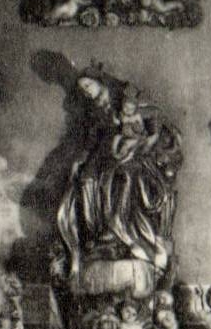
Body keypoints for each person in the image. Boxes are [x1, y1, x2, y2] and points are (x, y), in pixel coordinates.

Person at [55, 73, 181, 286]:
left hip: (136, 156)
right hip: (104, 155)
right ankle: (100, 233)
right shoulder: (95, 110)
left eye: (87, 84)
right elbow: (93, 139)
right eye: (82, 89)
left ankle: (121, 232)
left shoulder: (123, 98)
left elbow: (154, 124)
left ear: (98, 81)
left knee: (124, 176)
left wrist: (138, 144)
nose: (85, 90)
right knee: (86, 180)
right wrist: (80, 160)